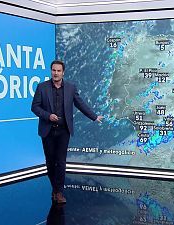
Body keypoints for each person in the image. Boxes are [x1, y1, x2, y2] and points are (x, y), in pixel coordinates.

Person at [31, 60, 103, 204]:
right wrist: (47, 115)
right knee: (51, 163)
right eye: (53, 70)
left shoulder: (70, 87)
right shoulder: (41, 87)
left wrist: (94, 117)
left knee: (61, 162)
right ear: (51, 71)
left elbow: (80, 103)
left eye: (58, 71)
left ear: (63, 72)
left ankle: (59, 192)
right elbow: (35, 107)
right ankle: (55, 188)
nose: (55, 73)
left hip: (64, 131)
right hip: (48, 131)